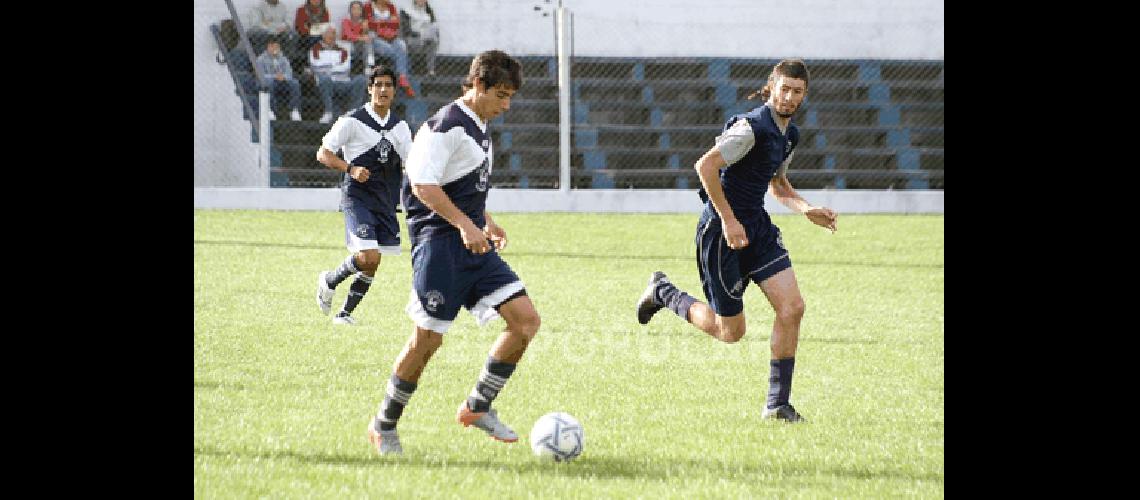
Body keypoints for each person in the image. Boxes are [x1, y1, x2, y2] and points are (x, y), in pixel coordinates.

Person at [635, 59, 838, 423]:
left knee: (792, 308)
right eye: (784, 89)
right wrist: (728, 220)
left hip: (757, 228)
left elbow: (777, 185)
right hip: (721, 231)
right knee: (730, 332)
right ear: (771, 87)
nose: (789, 97)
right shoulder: (751, 128)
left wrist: (805, 208)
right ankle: (663, 293)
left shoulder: (789, 135)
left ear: (804, 95)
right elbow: (705, 167)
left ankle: (777, 405)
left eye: (797, 92)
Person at [366, 50, 535, 455]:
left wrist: (484, 220)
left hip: (471, 243)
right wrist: (464, 224)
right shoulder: (446, 126)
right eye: (501, 94)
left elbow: (458, 182)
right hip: (439, 247)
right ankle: (383, 424)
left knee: (525, 321)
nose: (506, 105)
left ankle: (477, 407)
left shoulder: (479, 122)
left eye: (511, 96)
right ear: (477, 84)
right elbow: (424, 187)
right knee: (426, 341)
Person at [314, 64, 413, 325]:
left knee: (373, 261)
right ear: (369, 89)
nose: (383, 90)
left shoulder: (400, 127)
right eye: (378, 85)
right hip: (357, 197)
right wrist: (350, 168)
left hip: (386, 201)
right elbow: (323, 153)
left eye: (388, 85)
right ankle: (330, 279)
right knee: (369, 255)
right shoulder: (352, 121)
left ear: (394, 91)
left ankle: (344, 314)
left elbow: (411, 163)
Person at [308, 26, 368, 123]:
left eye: (333, 34)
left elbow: (345, 68)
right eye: (329, 33)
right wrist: (334, 66)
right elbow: (316, 66)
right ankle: (328, 112)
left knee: (361, 79)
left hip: (344, 81)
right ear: (323, 35)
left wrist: (327, 67)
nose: (331, 36)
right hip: (328, 83)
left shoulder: (343, 49)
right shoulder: (315, 49)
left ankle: (353, 112)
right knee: (324, 79)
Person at [363, 0, 415, 97]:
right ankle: (400, 75)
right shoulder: (368, 7)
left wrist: (379, 24)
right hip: (376, 38)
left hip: (391, 37)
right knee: (391, 51)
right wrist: (387, 23)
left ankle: (402, 78)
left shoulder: (391, 7)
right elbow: (367, 26)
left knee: (401, 45)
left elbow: (396, 25)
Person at [255, 38, 303, 121]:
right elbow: (261, 76)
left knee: (295, 83)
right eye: (273, 47)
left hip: (282, 82)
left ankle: (294, 109)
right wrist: (275, 76)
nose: (276, 49)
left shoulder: (283, 59)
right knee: (269, 82)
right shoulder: (261, 59)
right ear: (268, 47)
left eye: (277, 47)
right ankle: (270, 109)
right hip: (268, 82)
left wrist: (283, 77)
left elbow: (289, 73)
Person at [399, 0, 439, 77]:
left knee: (434, 41)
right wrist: (419, 33)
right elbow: (405, 30)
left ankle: (430, 70)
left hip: (425, 39)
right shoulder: (406, 11)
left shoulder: (428, 10)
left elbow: (434, 25)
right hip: (411, 39)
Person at [340, 1, 374, 75]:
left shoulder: (363, 22)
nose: (356, 11)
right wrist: (361, 38)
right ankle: (368, 62)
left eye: (359, 9)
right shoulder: (345, 21)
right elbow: (349, 36)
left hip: (359, 45)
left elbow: (366, 37)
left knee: (370, 36)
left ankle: (368, 65)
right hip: (347, 44)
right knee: (362, 43)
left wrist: (365, 29)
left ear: (362, 11)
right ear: (350, 10)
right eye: (354, 9)